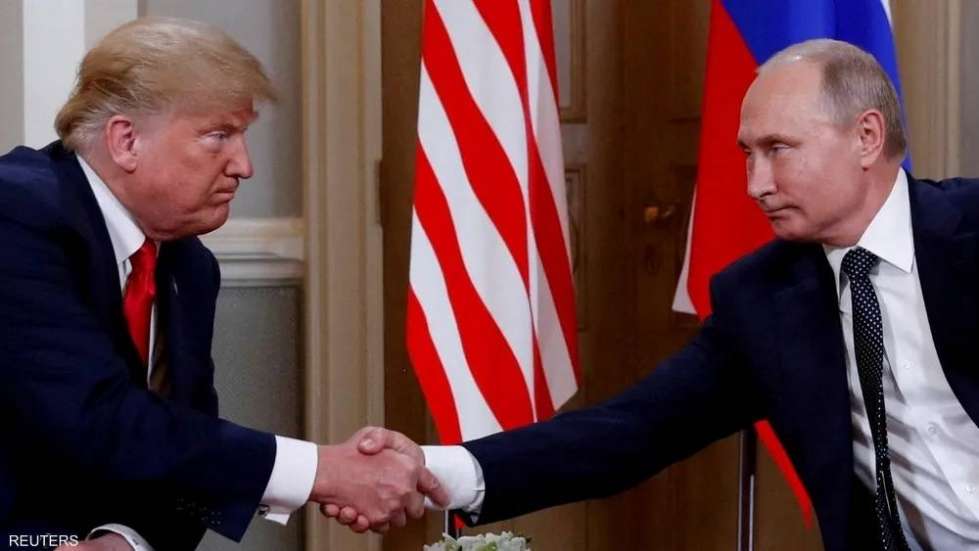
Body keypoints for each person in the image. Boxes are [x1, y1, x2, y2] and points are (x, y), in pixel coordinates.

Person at [337, 39, 979, 550]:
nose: (755, 184)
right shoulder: (763, 298)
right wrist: (437, 468)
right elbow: (634, 430)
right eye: (747, 154)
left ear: (867, 137)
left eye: (779, 149)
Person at [0, 17, 445, 551]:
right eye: (219, 136)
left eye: (243, 135)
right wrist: (321, 470)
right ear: (126, 141)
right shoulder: (16, 213)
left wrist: (126, 541)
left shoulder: (189, 266)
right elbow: (96, 416)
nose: (244, 166)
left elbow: (182, 452)